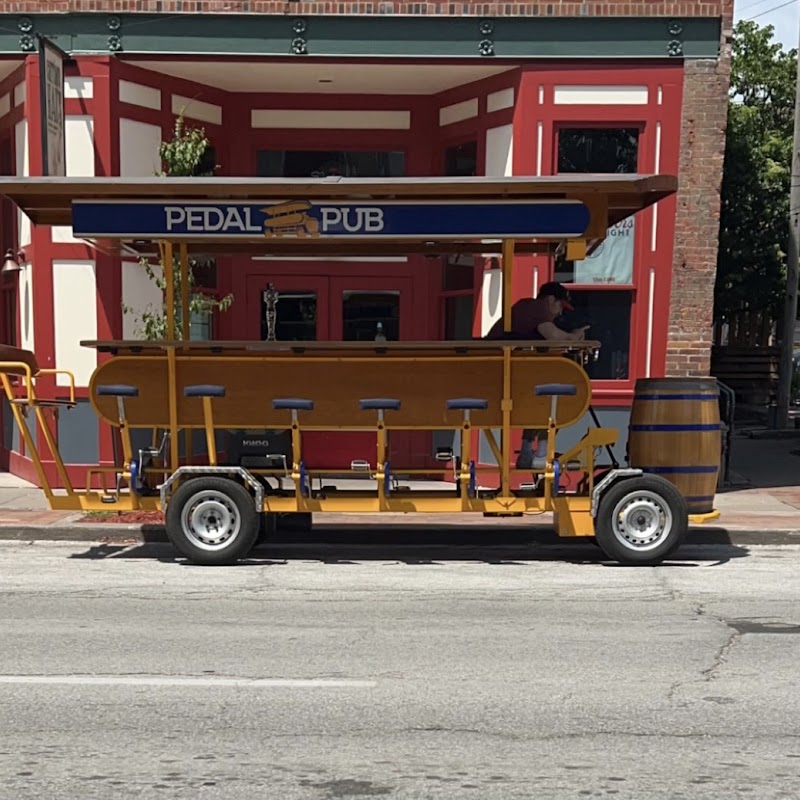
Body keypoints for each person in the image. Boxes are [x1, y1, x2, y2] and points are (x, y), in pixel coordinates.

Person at [485, 282, 589, 469]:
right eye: (560, 306)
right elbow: (554, 338)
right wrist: (575, 336)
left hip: (504, 374)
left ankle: (528, 452)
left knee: (543, 393)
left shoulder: (528, 310)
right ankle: (540, 453)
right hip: (498, 377)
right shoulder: (534, 308)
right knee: (552, 396)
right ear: (550, 300)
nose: (559, 313)